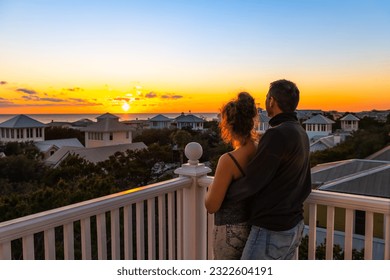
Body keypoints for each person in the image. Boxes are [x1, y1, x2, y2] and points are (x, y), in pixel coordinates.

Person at [225, 79, 312, 260]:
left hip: (273, 229)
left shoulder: (277, 134)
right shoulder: (300, 132)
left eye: (266, 97)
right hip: (294, 225)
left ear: (271, 101)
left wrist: (223, 195)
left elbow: (253, 181)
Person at [205, 92, 259, 259]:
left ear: (228, 125)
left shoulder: (228, 160)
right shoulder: (261, 150)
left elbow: (211, 205)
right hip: (254, 229)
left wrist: (211, 187)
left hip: (230, 232)